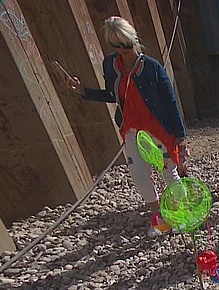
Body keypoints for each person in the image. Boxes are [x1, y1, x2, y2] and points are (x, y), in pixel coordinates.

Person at [65, 16, 187, 235]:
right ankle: (159, 218)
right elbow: (112, 95)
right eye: (119, 46)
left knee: (169, 172)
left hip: (158, 128)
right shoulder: (110, 65)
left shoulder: (152, 66)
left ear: (134, 40)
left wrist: (179, 134)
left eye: (128, 44)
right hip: (130, 129)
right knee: (140, 175)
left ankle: (180, 213)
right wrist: (81, 91)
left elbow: (170, 100)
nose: (126, 50)